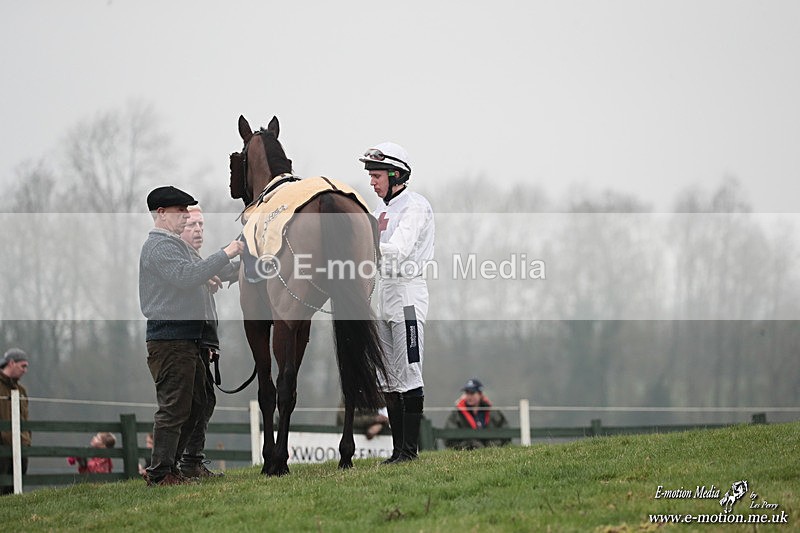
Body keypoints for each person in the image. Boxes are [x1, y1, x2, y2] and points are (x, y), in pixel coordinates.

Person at [139, 186, 243, 486]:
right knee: (174, 407)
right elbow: (187, 276)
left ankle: (177, 467)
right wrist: (228, 251)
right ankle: (160, 473)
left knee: (199, 402)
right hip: (170, 341)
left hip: (186, 339)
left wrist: (244, 264)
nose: (186, 217)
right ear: (161, 214)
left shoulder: (175, 246)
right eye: (180, 211)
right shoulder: (160, 247)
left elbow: (199, 272)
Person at [359, 142, 435, 463]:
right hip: (384, 296)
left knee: (409, 372)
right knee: (387, 376)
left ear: (396, 174)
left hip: (407, 295)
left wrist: (359, 241)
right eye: (371, 176)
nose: (372, 182)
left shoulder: (415, 206)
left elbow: (399, 250)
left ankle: (410, 451)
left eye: (376, 176)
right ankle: (397, 451)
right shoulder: (378, 211)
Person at [177, 206, 232, 478]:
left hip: (201, 342)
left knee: (205, 400)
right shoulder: (181, 259)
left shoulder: (195, 260)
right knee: (188, 404)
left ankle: (190, 461)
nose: (198, 230)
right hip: (185, 342)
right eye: (192, 225)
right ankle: (177, 464)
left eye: (201, 225)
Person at [445, 378, 510, 450]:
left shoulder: (494, 413)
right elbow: (449, 439)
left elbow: (506, 433)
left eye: (472, 393)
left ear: (480, 394)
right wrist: (469, 445)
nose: (469, 397)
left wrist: (492, 446)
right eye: (467, 393)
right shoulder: (456, 414)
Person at [0, 348, 30, 495]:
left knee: (16, 494)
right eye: (22, 366)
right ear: (11, 363)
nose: (25, 370)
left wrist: (26, 440)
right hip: (2, 448)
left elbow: (26, 419)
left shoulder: (22, 391)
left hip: (21, 448)